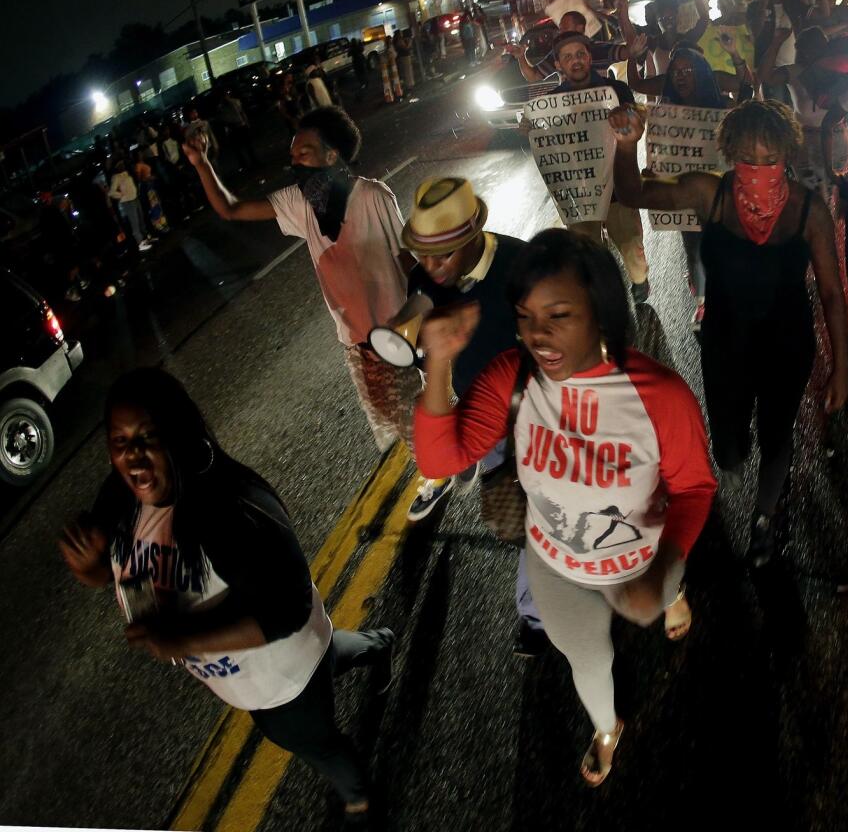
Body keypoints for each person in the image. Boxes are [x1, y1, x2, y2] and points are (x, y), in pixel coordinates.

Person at [412, 229, 714, 786]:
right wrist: (438, 365)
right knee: (589, 662)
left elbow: (694, 489)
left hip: (641, 560)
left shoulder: (660, 395)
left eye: (559, 315)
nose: (538, 336)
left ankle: (675, 594)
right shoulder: (513, 373)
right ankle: (606, 728)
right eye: (525, 317)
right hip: (554, 565)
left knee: (665, 588)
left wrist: (666, 565)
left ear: (599, 311)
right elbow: (443, 455)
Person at [58, 368, 393, 829]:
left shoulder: (227, 509)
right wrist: (88, 566)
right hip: (258, 665)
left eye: (148, 437)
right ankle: (380, 644)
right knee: (330, 650)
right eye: (119, 441)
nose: (132, 457)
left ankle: (359, 797)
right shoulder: (120, 496)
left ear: (178, 431)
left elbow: (285, 612)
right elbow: (115, 572)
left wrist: (181, 640)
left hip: (281, 672)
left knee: (311, 738)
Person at [609, 99, 848, 566]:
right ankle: (733, 456)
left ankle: (766, 518)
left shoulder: (808, 210)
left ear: (787, 154)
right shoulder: (710, 194)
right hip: (724, 344)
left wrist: (841, 368)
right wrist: (625, 146)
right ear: (729, 153)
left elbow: (833, 295)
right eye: (748, 158)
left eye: (770, 158)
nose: (759, 169)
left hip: (787, 347)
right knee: (728, 440)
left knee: (778, 434)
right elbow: (633, 192)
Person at [182, 105, 447, 522]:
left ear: (332, 155)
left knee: (401, 406)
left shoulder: (373, 194)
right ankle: (445, 443)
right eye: (292, 154)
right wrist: (201, 163)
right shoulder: (299, 202)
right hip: (354, 332)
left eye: (304, 151)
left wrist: (429, 307)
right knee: (389, 407)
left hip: (395, 325)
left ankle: (439, 470)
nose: (294, 160)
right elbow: (231, 209)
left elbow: (404, 256)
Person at [399, 176, 548, 655]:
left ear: (470, 238)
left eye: (441, 255)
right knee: (519, 518)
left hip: (539, 411)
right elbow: (425, 355)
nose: (429, 267)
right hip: (485, 417)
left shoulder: (523, 265)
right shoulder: (424, 278)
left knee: (547, 512)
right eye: (422, 255)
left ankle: (537, 615)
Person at [632, 44, 737, 331]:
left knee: (724, 248)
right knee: (694, 251)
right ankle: (703, 303)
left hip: (720, 197)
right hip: (683, 196)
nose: (681, 76)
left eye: (688, 70)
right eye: (676, 72)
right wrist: (654, 173)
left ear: (701, 73)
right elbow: (662, 156)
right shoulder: (663, 114)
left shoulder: (724, 110)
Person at [548, 31, 651, 304]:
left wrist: (629, 115)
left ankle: (640, 281)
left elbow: (637, 119)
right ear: (559, 65)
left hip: (617, 184)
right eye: (568, 57)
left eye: (580, 54)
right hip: (579, 192)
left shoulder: (616, 90)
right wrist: (531, 130)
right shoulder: (551, 102)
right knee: (588, 251)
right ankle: (605, 298)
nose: (576, 61)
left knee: (632, 248)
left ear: (590, 57)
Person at [505, 10, 587, 84]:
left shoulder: (598, 49)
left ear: (580, 28)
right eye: (560, 29)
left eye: (565, 28)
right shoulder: (557, 54)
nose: (561, 33)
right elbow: (534, 77)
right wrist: (521, 56)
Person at [108, 159, 151, 251]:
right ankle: (140, 243)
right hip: (128, 202)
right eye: (120, 164)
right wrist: (122, 195)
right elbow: (111, 192)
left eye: (122, 164)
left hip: (135, 198)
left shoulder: (126, 173)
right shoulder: (116, 177)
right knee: (135, 223)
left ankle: (146, 239)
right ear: (117, 167)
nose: (122, 165)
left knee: (140, 219)